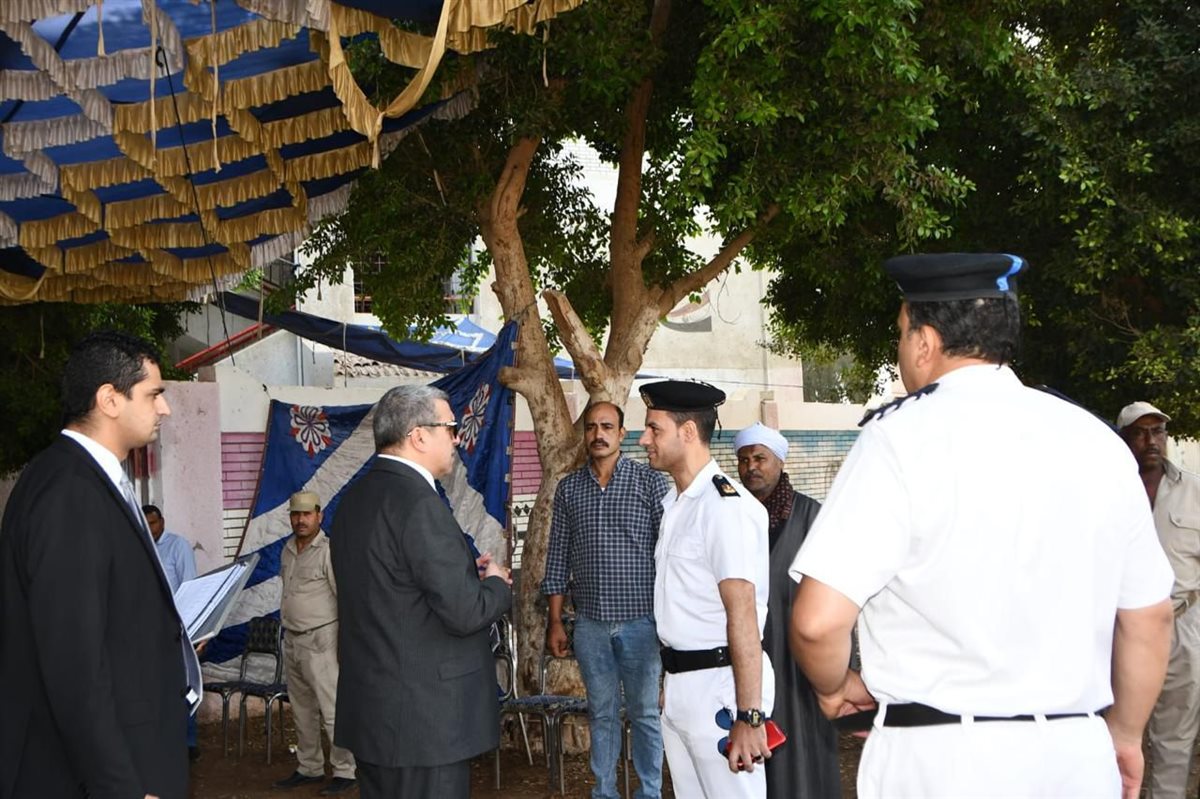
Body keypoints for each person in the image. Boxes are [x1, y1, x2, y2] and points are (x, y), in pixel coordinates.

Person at [789, 252, 1175, 799]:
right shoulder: (1097, 442)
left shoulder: (899, 439)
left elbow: (816, 622)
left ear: (924, 341)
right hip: (1074, 755)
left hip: (941, 760)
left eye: (902, 334)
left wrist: (833, 690)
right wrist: (1126, 735)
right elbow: (1150, 618)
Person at [0, 331, 201, 799]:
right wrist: (120, 787)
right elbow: (74, 664)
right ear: (109, 399)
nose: (164, 409)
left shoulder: (84, 478)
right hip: (93, 775)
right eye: (154, 394)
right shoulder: (69, 492)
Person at [331, 385, 512, 799]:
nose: (457, 438)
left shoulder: (354, 499)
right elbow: (465, 611)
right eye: (449, 427)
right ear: (418, 436)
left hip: (375, 715)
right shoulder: (418, 503)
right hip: (424, 723)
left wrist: (468, 572)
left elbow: (396, 589)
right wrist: (496, 584)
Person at [638, 380, 774, 799]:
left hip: (721, 688)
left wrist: (749, 716)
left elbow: (743, 615)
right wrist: (670, 679)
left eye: (654, 429)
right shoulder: (676, 504)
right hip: (682, 687)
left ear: (689, 433)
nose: (643, 439)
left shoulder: (722, 508)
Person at [542, 401, 670, 799]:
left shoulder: (650, 483)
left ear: (622, 433)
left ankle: (649, 791)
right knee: (601, 713)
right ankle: (605, 791)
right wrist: (556, 620)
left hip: (642, 623)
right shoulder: (569, 488)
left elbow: (668, 555)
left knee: (646, 714)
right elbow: (557, 554)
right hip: (591, 626)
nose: (598, 434)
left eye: (607, 426)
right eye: (592, 427)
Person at [734, 423, 839, 799]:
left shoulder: (813, 517)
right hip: (750, 655)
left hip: (801, 656)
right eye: (744, 460)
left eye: (760, 458)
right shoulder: (734, 517)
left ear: (779, 461)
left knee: (805, 746)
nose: (751, 468)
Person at [1117, 401, 1200, 799]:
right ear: (1124, 438)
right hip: (1121, 630)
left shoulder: (1194, 490)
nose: (1151, 440)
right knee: (1117, 734)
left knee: (1175, 739)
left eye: (1158, 432)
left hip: (1182, 626)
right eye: (1140, 432)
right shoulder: (1109, 490)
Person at [272, 491, 356, 795]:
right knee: (302, 709)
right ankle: (309, 766)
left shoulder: (329, 551)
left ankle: (346, 770)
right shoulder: (287, 550)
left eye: (307, 514)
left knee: (331, 709)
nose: (300, 520)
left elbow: (344, 598)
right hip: (293, 639)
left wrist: (344, 644)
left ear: (319, 516)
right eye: (295, 514)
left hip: (323, 638)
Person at [143, 503, 201, 762]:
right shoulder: (140, 546)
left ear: (162, 522)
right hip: (148, 630)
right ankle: (162, 740)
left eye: (153, 523)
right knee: (156, 685)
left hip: (178, 630)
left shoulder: (179, 546)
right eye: (145, 524)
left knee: (185, 685)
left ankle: (189, 741)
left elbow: (190, 588)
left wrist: (192, 632)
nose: (150, 528)